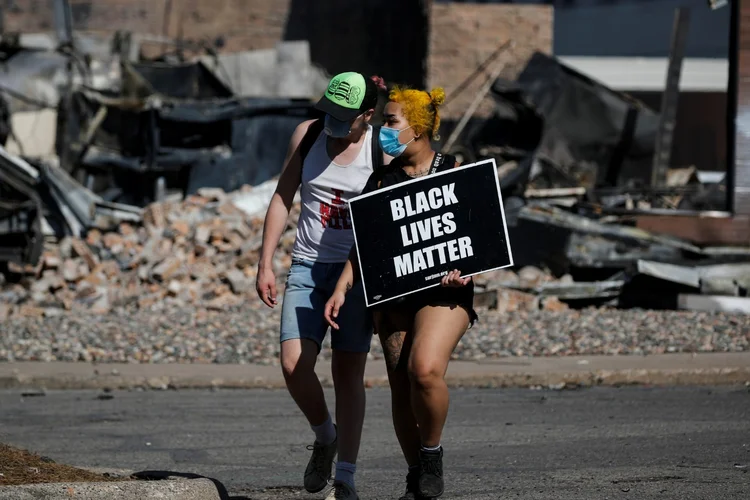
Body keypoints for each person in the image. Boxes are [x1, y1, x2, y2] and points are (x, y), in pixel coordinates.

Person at [324, 85, 478, 500]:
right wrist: (342, 287)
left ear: (419, 127)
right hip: (394, 295)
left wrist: (464, 271)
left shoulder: (455, 172)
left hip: (446, 293)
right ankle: (416, 476)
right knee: (400, 387)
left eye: (391, 122)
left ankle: (432, 455)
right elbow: (366, 244)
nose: (382, 130)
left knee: (424, 370)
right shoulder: (381, 180)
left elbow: (478, 240)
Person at [255, 71, 390, 500]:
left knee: (347, 372)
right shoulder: (308, 135)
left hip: (357, 273)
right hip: (308, 265)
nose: (332, 122)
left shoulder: (379, 148)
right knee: (294, 365)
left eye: (343, 117)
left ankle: (346, 476)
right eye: (327, 112)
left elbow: (396, 210)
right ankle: (325, 436)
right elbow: (282, 197)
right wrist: (265, 263)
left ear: (367, 115)